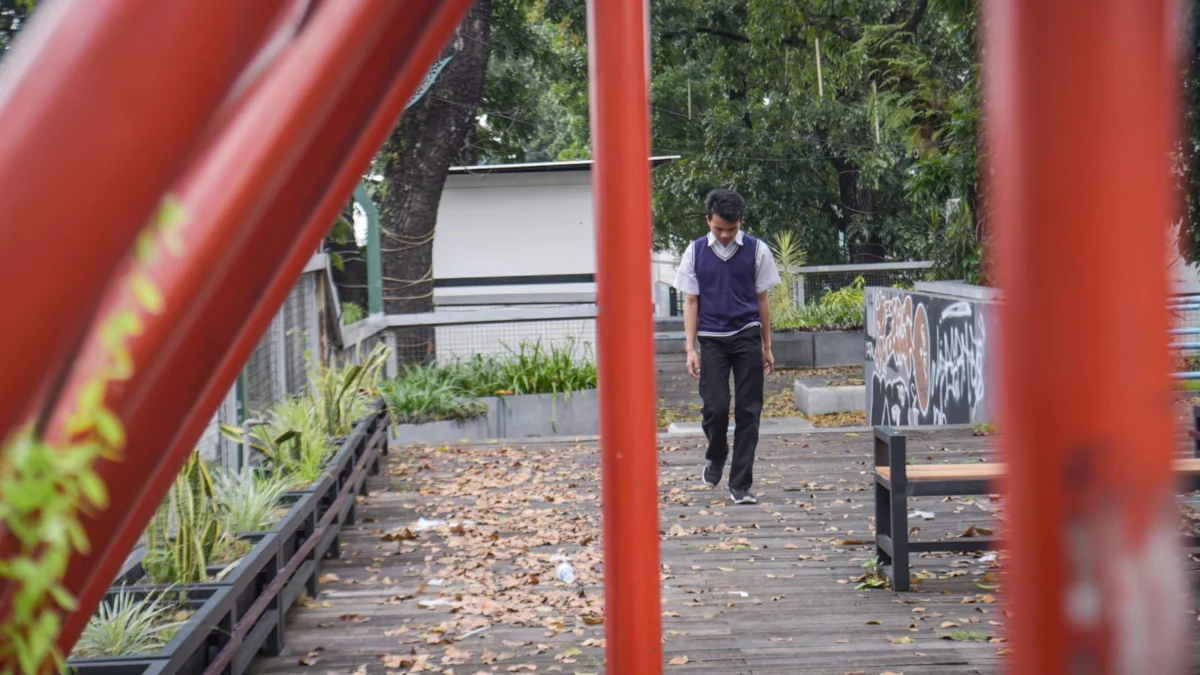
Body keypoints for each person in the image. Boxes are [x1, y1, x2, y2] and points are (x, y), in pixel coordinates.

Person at [673, 188, 780, 504]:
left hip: (747, 335)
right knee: (715, 407)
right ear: (708, 220)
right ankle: (716, 455)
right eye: (718, 228)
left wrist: (767, 346)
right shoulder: (694, 252)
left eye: (731, 229)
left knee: (749, 411)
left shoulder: (757, 250)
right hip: (712, 340)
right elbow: (690, 301)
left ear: (740, 222)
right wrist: (690, 349)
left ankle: (740, 484)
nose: (724, 235)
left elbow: (762, 299)